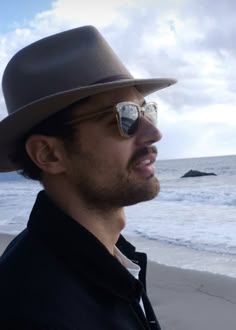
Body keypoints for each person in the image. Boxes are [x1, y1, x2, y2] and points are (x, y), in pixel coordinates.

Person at [0, 25, 176, 329]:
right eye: (126, 117)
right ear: (49, 154)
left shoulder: (112, 259)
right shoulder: (36, 311)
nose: (154, 133)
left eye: (146, 111)